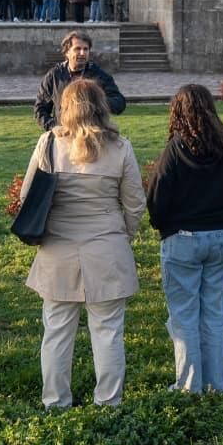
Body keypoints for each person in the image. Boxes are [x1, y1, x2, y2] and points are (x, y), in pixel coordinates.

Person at [22, 79, 145, 409]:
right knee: (108, 331)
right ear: (101, 106)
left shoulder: (50, 142)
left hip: (58, 248)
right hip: (107, 244)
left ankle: (55, 400)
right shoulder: (120, 147)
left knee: (57, 330)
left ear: (65, 107)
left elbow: (28, 195)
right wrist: (123, 235)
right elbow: (135, 203)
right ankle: (108, 401)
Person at [146, 84, 223, 394]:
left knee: (184, 314)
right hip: (220, 235)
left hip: (183, 237)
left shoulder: (175, 150)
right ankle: (216, 383)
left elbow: (158, 196)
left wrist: (163, 224)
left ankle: (189, 385)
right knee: (215, 311)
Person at [34, 30, 127, 131]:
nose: (82, 53)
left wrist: (97, 101)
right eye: (77, 49)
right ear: (67, 52)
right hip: (64, 134)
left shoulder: (99, 75)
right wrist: (55, 127)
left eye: (85, 49)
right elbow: (40, 109)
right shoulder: (54, 76)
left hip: (93, 134)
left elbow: (119, 103)